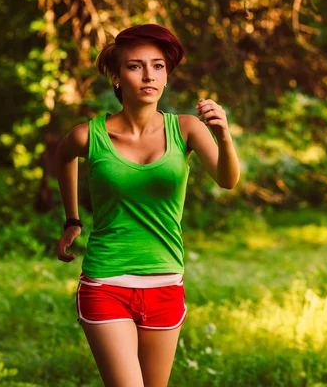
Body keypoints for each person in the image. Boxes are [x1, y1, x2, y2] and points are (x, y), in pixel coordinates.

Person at [55, 23, 240, 387]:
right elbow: (63, 158)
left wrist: (224, 135)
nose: (148, 75)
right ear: (117, 76)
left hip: (166, 283)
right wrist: (72, 219)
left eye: (157, 66)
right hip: (106, 282)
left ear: (167, 76)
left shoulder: (185, 128)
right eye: (135, 66)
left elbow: (227, 179)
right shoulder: (89, 135)